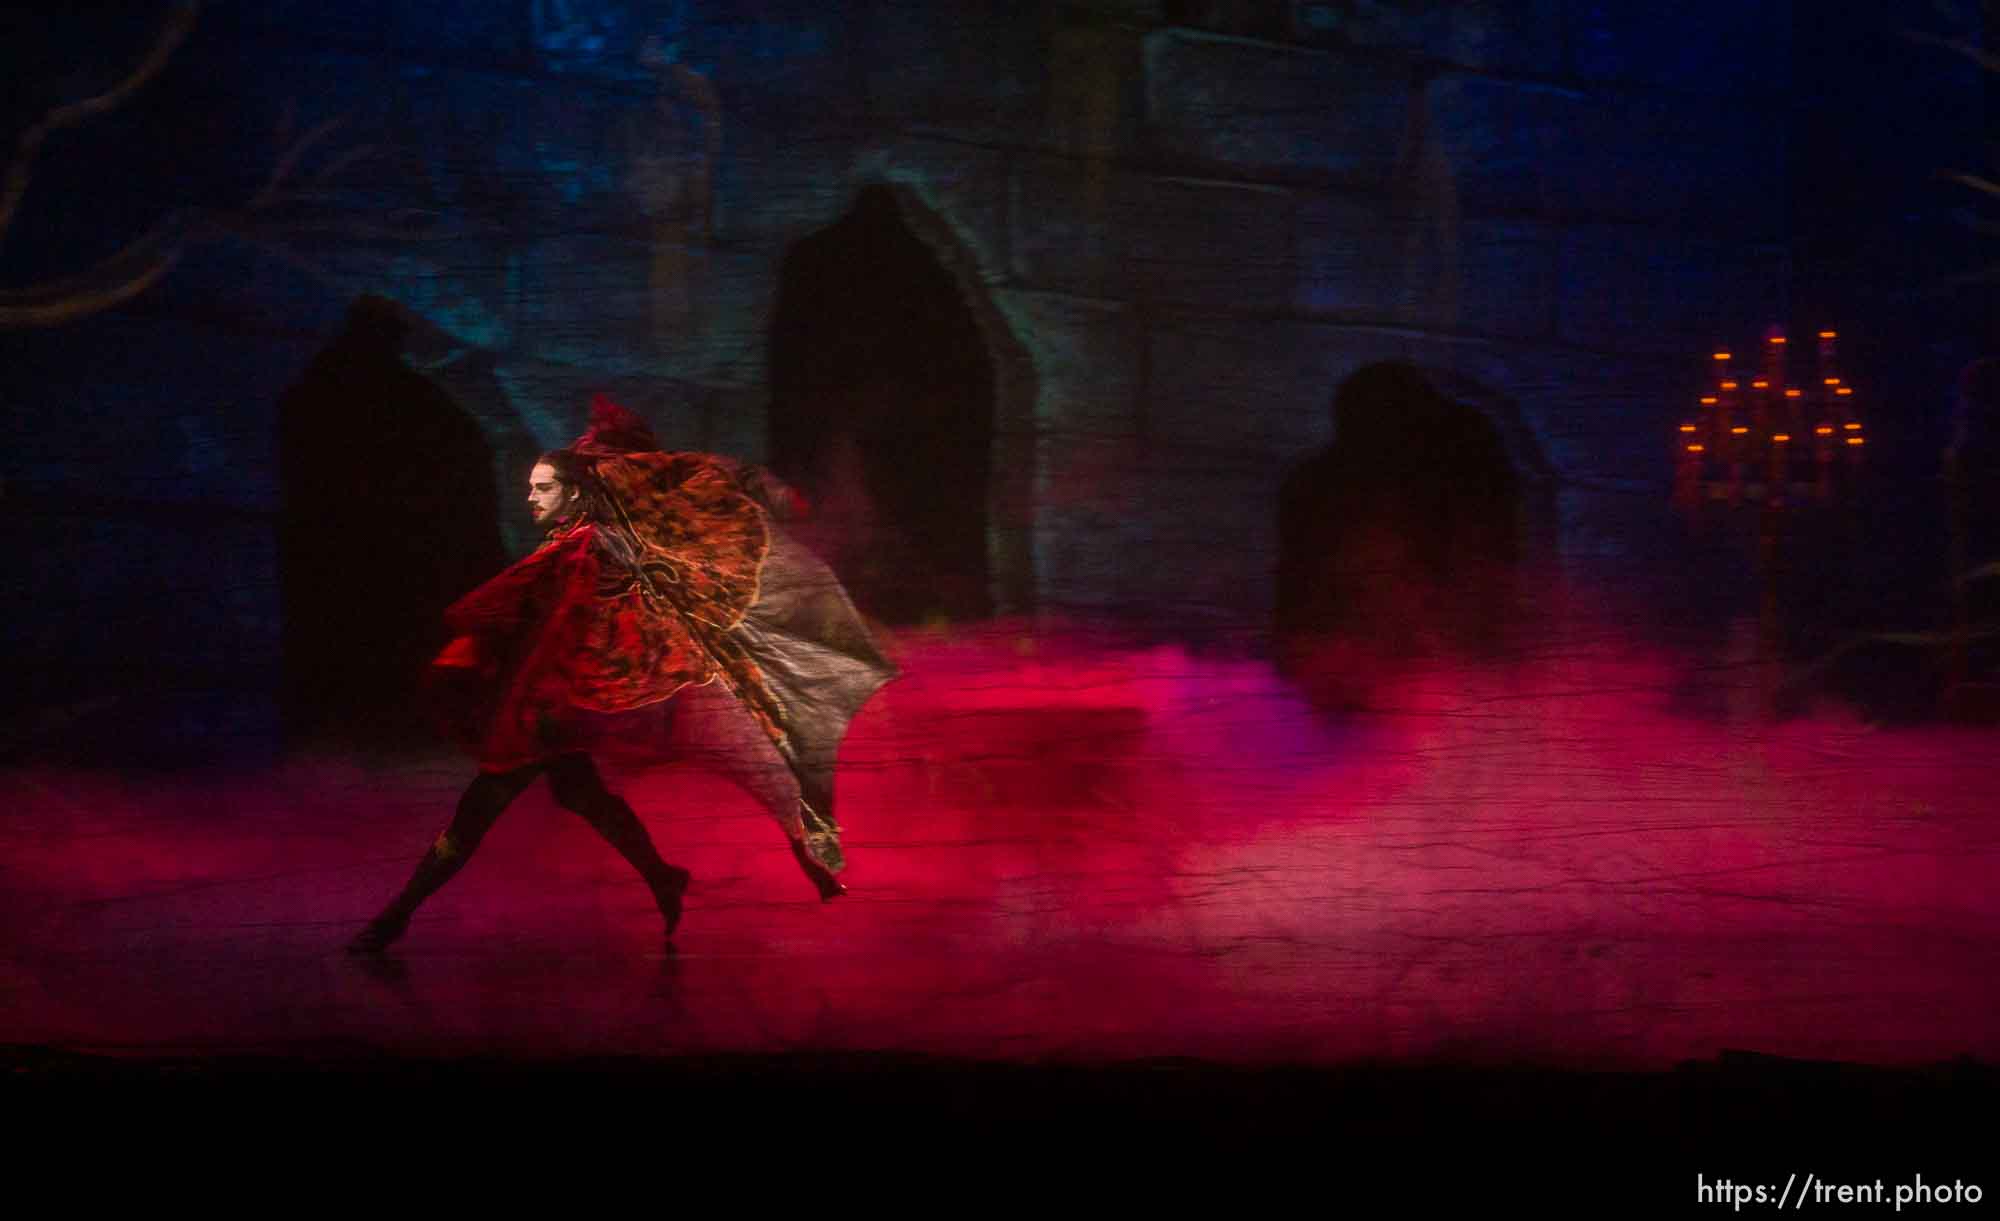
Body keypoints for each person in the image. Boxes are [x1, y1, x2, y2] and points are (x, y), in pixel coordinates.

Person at [348, 396, 897, 953]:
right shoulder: (578, 538)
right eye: (531, 487)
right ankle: (664, 875)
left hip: (542, 714)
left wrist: (468, 628)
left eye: (543, 488)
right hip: (551, 703)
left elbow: (508, 598)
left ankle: (391, 923)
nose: (530, 497)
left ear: (577, 491)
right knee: (581, 795)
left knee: (476, 816)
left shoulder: (589, 542)